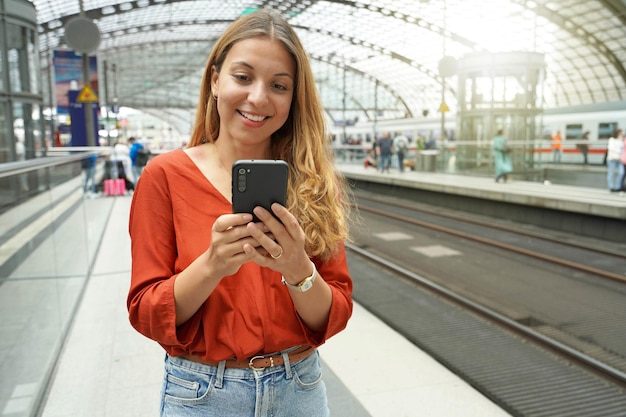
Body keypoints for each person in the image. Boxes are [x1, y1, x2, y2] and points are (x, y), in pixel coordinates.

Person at [127, 9, 353, 417]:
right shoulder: (164, 177)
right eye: (243, 77)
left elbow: (333, 316)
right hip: (202, 394)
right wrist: (212, 265)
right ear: (215, 80)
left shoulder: (314, 183)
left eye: (279, 85)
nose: (258, 98)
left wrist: (299, 269)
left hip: (299, 388)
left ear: (293, 98)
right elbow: (145, 311)